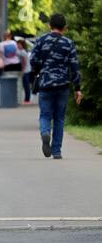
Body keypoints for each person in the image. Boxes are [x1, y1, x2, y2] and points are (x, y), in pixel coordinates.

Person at [30, 13, 82, 160]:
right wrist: (77, 88)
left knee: (45, 115)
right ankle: (57, 151)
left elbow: (33, 61)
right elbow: (74, 67)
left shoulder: (41, 40)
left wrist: (37, 72)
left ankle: (45, 133)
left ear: (49, 25)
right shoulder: (68, 43)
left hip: (45, 84)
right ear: (64, 27)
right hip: (63, 86)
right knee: (59, 118)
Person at [0, 30, 23, 103]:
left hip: (8, 66)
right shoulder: (14, 43)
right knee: (18, 84)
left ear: (4, 37)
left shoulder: (1, 45)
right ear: (10, 36)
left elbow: (1, 56)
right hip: (17, 65)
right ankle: (18, 100)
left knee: (8, 84)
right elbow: (19, 53)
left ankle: (10, 100)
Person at [17, 39, 32, 104]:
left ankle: (27, 99)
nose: (18, 45)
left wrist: (22, 70)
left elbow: (24, 62)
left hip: (25, 71)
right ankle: (27, 99)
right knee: (26, 85)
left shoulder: (22, 52)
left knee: (26, 86)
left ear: (22, 45)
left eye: (19, 44)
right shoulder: (23, 51)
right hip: (26, 70)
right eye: (17, 44)